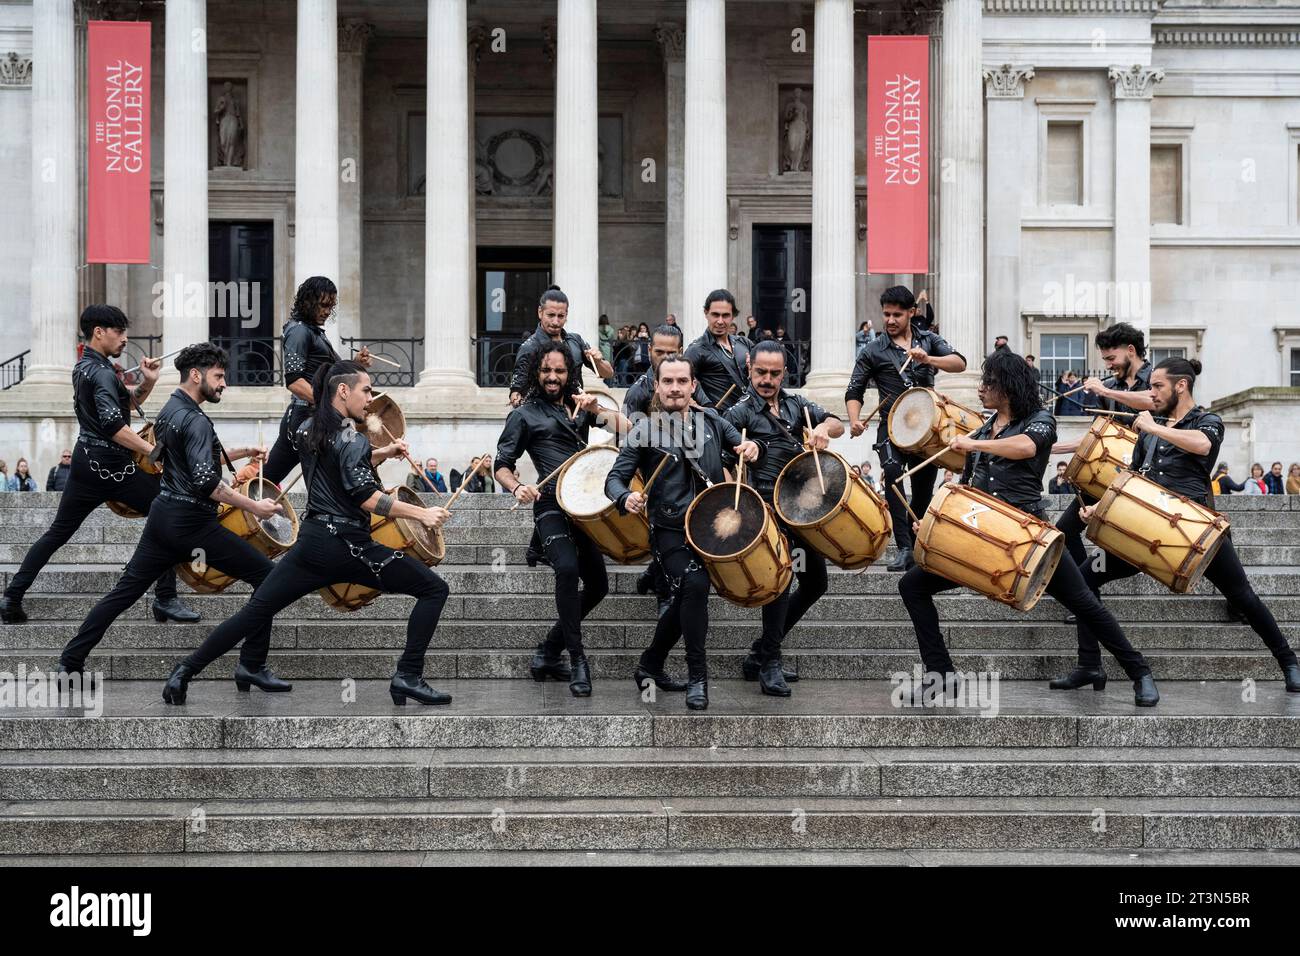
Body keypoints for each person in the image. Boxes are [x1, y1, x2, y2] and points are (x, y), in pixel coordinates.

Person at [162, 359, 456, 706]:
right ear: (343, 391)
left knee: (254, 612)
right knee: (434, 589)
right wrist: (422, 513)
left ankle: (184, 671)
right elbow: (365, 496)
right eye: (366, 391)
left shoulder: (307, 429)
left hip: (311, 545)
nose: (370, 399)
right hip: (351, 548)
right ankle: (407, 675)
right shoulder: (353, 438)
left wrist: (381, 453)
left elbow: (339, 463)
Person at [899, 349, 1158, 706]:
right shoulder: (986, 427)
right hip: (985, 535)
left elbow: (1024, 448)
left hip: (1029, 537)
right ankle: (940, 673)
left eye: (987, 382)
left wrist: (973, 442)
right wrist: (936, 521)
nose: (980, 389)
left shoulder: (1039, 419)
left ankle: (1140, 672)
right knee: (912, 585)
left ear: (1005, 385)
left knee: (1085, 603)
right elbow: (971, 487)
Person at [1062, 358, 1299, 693]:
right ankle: (1090, 665)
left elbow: (1202, 445)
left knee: (1243, 595)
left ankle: (1288, 661)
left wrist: (1154, 428)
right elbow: (1131, 479)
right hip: (1143, 527)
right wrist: (1099, 507)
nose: (1151, 393)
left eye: (1157, 386)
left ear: (1181, 386)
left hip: (1193, 530)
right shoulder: (1149, 432)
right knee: (1084, 579)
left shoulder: (1207, 421)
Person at [59, 344, 283, 684]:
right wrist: (257, 508)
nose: (224, 384)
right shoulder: (194, 420)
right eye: (219, 376)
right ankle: (251, 665)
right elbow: (208, 483)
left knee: (124, 592)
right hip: (193, 524)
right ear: (197, 375)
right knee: (267, 577)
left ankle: (70, 660)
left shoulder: (168, 410)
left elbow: (181, 463)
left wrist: (243, 451)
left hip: (164, 517)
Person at [0, 305, 198, 625]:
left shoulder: (86, 366)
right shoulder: (103, 371)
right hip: (112, 467)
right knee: (172, 510)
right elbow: (114, 426)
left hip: (85, 462)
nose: (125, 339)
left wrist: (147, 383)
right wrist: (155, 451)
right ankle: (165, 599)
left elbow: (123, 406)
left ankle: (12, 596)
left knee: (56, 533)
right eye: (119, 332)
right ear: (99, 332)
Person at [606, 354, 759, 711]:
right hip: (670, 530)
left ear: (693, 385)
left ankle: (650, 663)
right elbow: (613, 479)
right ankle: (698, 676)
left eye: (681, 381)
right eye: (667, 382)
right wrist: (625, 496)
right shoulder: (644, 429)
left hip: (712, 530)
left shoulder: (714, 422)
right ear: (657, 386)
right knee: (694, 586)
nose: (675, 388)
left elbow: (745, 446)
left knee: (685, 598)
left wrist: (751, 448)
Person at [495, 341, 629, 698]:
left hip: (582, 508)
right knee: (568, 570)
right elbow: (501, 466)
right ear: (537, 373)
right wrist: (517, 487)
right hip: (550, 505)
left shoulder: (581, 406)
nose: (552, 377)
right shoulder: (523, 414)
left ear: (570, 374)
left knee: (598, 586)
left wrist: (596, 406)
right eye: (546, 371)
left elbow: (628, 429)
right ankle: (578, 660)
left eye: (559, 371)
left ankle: (548, 651)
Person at [725, 341, 841, 695]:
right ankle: (770, 661)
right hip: (765, 509)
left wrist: (824, 430)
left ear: (784, 373)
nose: (767, 379)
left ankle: (760, 651)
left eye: (775, 373)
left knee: (816, 583)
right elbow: (722, 457)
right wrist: (746, 454)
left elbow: (836, 422)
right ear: (749, 369)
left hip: (802, 509)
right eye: (761, 372)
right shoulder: (739, 413)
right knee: (779, 581)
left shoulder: (796, 404)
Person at [844, 285, 967, 571]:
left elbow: (960, 363)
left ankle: (918, 543)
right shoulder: (872, 350)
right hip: (891, 427)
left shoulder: (929, 339)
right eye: (886, 314)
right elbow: (854, 390)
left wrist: (929, 359)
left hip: (929, 429)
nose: (890, 320)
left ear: (912, 313)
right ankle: (902, 547)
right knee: (893, 475)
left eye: (897, 314)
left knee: (923, 488)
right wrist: (854, 420)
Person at [1051, 322, 1155, 570]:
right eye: (1105, 360)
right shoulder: (1113, 387)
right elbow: (1100, 436)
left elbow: (1154, 400)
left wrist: (1106, 392)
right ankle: (1087, 595)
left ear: (1131, 350)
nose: (1108, 365)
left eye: (1111, 358)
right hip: (1109, 473)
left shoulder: (1158, 377)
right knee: (1064, 531)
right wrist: (1050, 448)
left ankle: (1088, 591)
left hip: (1143, 478)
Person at [251, 276, 372, 487]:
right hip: (304, 417)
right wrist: (327, 404)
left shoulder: (313, 333)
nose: (327, 312)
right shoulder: (299, 331)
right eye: (324, 305)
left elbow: (331, 374)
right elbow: (294, 381)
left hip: (314, 417)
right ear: (308, 301)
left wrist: (355, 364)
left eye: (331, 307)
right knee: (267, 481)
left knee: (327, 476)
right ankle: (238, 507)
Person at [508, 285, 613, 406]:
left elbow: (608, 374)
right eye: (551, 315)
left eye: (560, 316)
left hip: (574, 416)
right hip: (542, 418)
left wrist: (598, 361)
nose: (555, 321)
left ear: (566, 315)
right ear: (540, 312)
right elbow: (516, 393)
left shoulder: (576, 341)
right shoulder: (529, 348)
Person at [684, 289, 752, 412]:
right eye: (715, 315)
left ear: (733, 316)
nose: (720, 321)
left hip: (749, 418)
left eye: (725, 315)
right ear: (706, 313)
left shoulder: (744, 343)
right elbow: (683, 380)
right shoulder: (696, 350)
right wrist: (708, 406)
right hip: (720, 422)